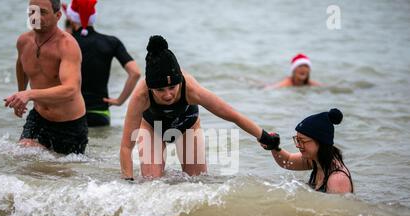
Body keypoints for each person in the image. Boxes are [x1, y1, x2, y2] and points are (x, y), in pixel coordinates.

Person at [120, 35, 279, 180]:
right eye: (160, 90)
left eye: (172, 87)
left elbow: (233, 116)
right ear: (150, 88)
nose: (168, 95)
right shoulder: (141, 97)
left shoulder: (192, 90)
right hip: (152, 127)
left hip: (186, 125)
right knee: (151, 183)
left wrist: (265, 137)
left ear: (180, 82)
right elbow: (126, 147)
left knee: (196, 182)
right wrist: (128, 183)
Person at [4, 0, 88, 155]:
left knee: (60, 175)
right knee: (22, 157)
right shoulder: (23, 41)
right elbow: (21, 65)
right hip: (39, 116)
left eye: (42, 12)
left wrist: (29, 94)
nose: (35, 16)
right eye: (32, 11)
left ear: (58, 15)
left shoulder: (67, 45)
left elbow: (71, 90)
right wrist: (20, 95)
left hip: (69, 124)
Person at [65, 0, 141, 127]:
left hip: (71, 112)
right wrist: (119, 101)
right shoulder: (112, 42)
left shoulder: (66, 43)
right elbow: (135, 73)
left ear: (72, 19)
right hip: (100, 113)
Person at [262, 108, 353, 194]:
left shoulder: (337, 180)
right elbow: (288, 161)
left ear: (321, 142)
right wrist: (273, 146)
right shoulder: (316, 160)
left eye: (303, 141)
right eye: (297, 140)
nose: (298, 145)